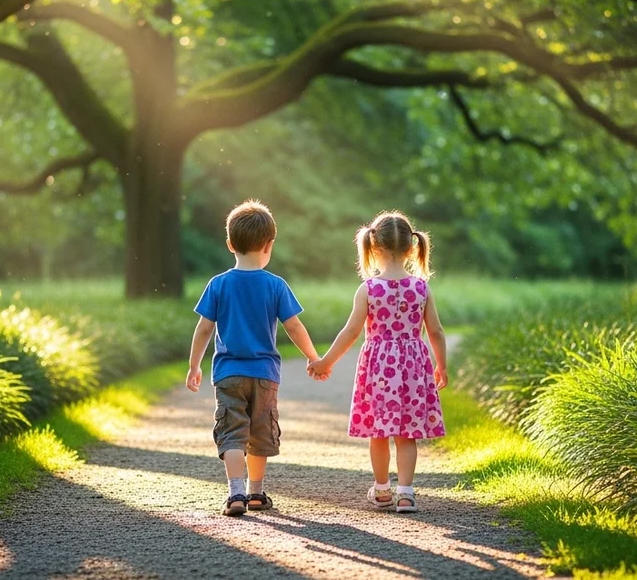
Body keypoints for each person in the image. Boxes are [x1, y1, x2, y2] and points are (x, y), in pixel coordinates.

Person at [186, 199, 322, 516]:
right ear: (269, 245)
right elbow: (294, 326)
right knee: (260, 433)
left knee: (232, 434)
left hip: (228, 375)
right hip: (265, 375)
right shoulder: (275, 285)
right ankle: (256, 493)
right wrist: (314, 357)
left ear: (230, 243)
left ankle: (235, 495)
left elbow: (204, 328)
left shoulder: (218, 284)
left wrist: (194, 365)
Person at [307, 210, 448, 513]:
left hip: (379, 369)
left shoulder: (369, 289)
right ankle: (407, 493)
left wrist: (325, 362)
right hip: (413, 366)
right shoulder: (421, 288)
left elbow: (351, 332)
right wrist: (442, 365)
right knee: (407, 433)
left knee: (379, 432)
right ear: (412, 248)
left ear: (373, 248)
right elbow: (435, 330)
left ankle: (382, 490)